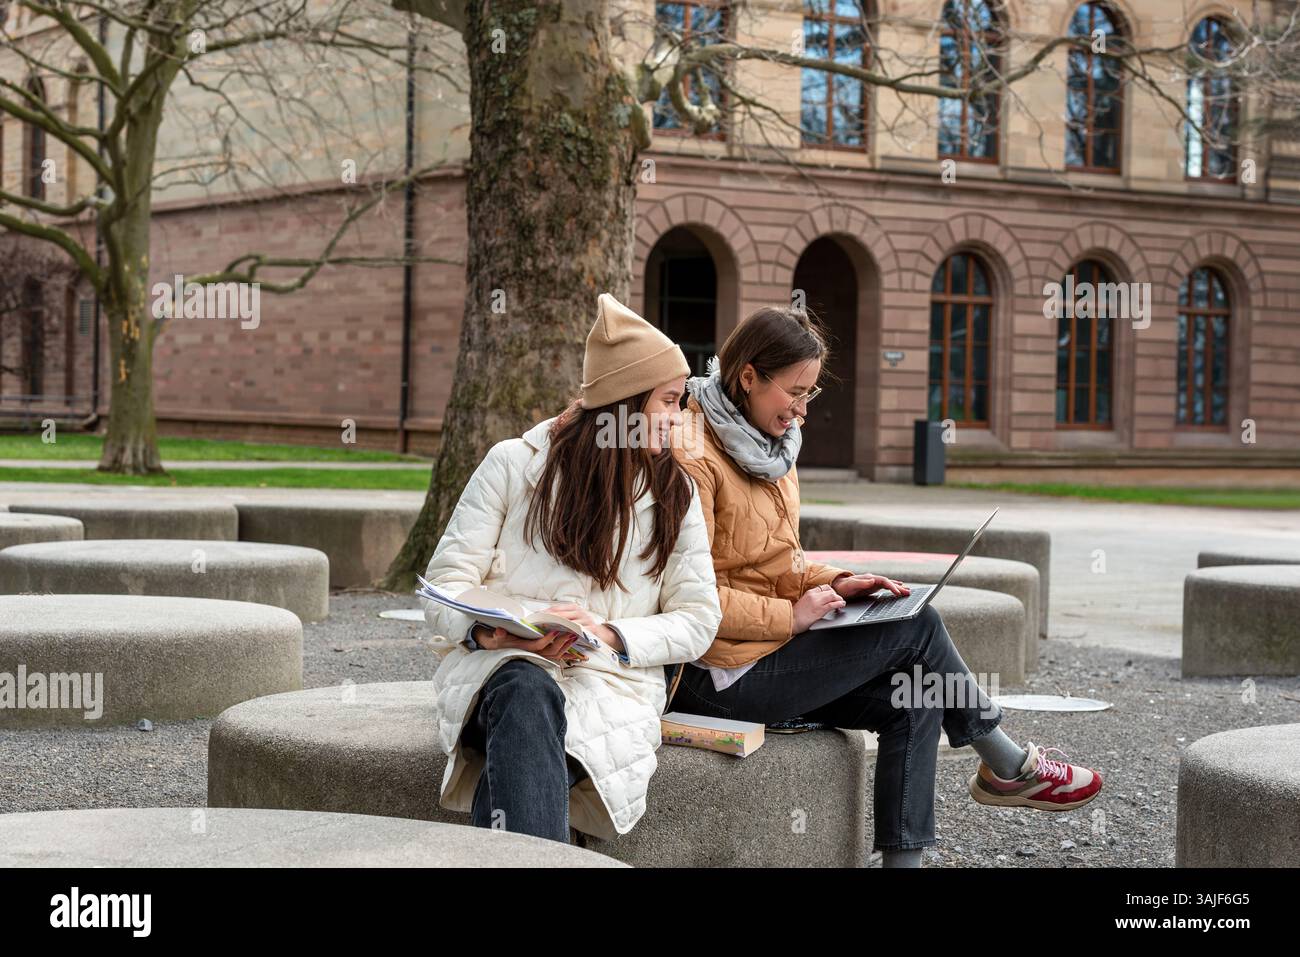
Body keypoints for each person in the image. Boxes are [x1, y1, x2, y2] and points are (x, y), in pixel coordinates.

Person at [669, 305, 1103, 867]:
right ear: (748, 375)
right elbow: (689, 598)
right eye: (793, 392)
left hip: (763, 653)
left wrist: (841, 582)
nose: (801, 411)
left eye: (811, 393)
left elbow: (776, 563)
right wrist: (792, 617)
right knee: (916, 627)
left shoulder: (769, 446)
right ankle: (1008, 764)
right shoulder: (690, 455)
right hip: (713, 675)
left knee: (918, 694)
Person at [420, 292, 722, 845]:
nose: (680, 417)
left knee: (524, 746)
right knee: (524, 688)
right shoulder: (513, 464)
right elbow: (442, 588)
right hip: (498, 670)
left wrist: (607, 634)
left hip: (610, 686)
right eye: (670, 400)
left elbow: (699, 618)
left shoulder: (674, 491)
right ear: (626, 404)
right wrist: (491, 632)